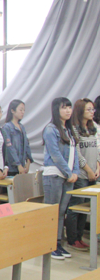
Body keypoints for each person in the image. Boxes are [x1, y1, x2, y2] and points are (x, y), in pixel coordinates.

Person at [43, 97, 79, 260]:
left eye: (69, 107)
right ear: (56, 110)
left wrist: (75, 172)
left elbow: (75, 153)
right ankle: (48, 244)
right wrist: (69, 173)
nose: (68, 110)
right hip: (55, 175)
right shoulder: (50, 129)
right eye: (64, 108)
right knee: (52, 211)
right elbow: (55, 154)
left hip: (68, 176)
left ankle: (57, 243)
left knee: (61, 212)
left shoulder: (69, 130)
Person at [67, 99, 97, 251]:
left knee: (87, 206)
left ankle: (80, 237)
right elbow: (77, 154)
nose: (92, 112)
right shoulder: (74, 129)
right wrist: (89, 170)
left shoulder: (92, 128)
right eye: (89, 110)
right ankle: (72, 238)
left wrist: (97, 166)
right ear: (80, 111)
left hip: (93, 173)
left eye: (93, 109)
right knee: (76, 206)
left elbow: (96, 149)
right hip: (82, 175)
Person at [4, 100, 33, 175]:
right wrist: (18, 164)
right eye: (21, 110)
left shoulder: (21, 127)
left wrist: (28, 162)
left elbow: (26, 145)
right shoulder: (7, 127)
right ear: (12, 111)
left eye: (24, 110)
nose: (23, 112)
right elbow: (10, 148)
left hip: (22, 165)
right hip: (12, 167)